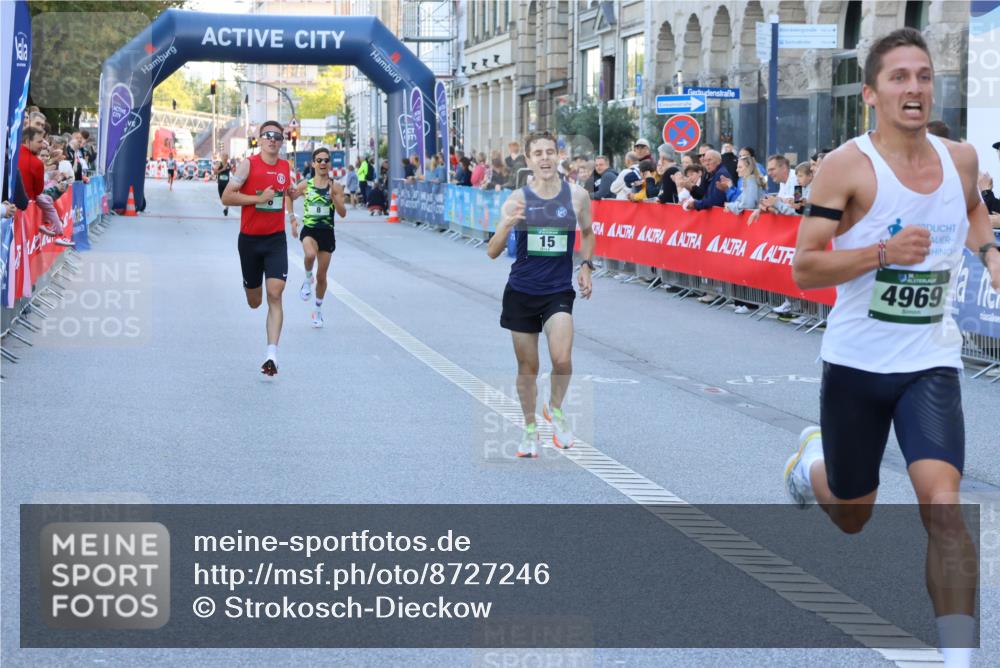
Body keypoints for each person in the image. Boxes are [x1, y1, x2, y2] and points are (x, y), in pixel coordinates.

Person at [783, 28, 1000, 668]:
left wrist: (988, 253)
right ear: (871, 93)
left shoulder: (959, 158)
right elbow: (804, 268)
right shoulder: (847, 166)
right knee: (853, 515)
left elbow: (974, 210)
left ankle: (957, 658)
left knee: (945, 507)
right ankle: (808, 466)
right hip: (856, 363)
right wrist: (881, 253)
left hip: (929, 362)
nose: (914, 88)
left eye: (924, 76)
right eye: (899, 77)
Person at [486, 131, 595, 458]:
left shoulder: (576, 196)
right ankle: (530, 430)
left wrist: (586, 265)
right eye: (538, 153)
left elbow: (588, 233)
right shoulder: (516, 199)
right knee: (528, 368)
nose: (545, 158)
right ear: (529, 160)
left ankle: (555, 409)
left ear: (558, 156)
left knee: (562, 360)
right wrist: (507, 225)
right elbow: (492, 251)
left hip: (557, 292)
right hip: (521, 292)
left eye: (550, 152)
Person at [220, 120, 299, 378]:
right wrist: (258, 199)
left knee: (275, 293)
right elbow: (227, 197)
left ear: (282, 140)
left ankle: (271, 355)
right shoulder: (248, 165)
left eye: (277, 136)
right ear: (260, 139)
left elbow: (285, 192)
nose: (272, 139)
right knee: (255, 301)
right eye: (268, 135)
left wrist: (293, 197)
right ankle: (252, 291)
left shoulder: (286, 166)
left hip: (275, 239)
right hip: (250, 241)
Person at [295, 147, 347, 328]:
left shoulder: (336, 186)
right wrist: (291, 218)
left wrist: (334, 198)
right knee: (309, 255)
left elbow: (342, 213)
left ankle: (317, 310)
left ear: (329, 163)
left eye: (326, 160)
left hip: (327, 232)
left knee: (322, 276)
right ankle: (307, 278)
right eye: (319, 160)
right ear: (313, 163)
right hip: (309, 229)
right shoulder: (305, 185)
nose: (323, 163)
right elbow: (288, 196)